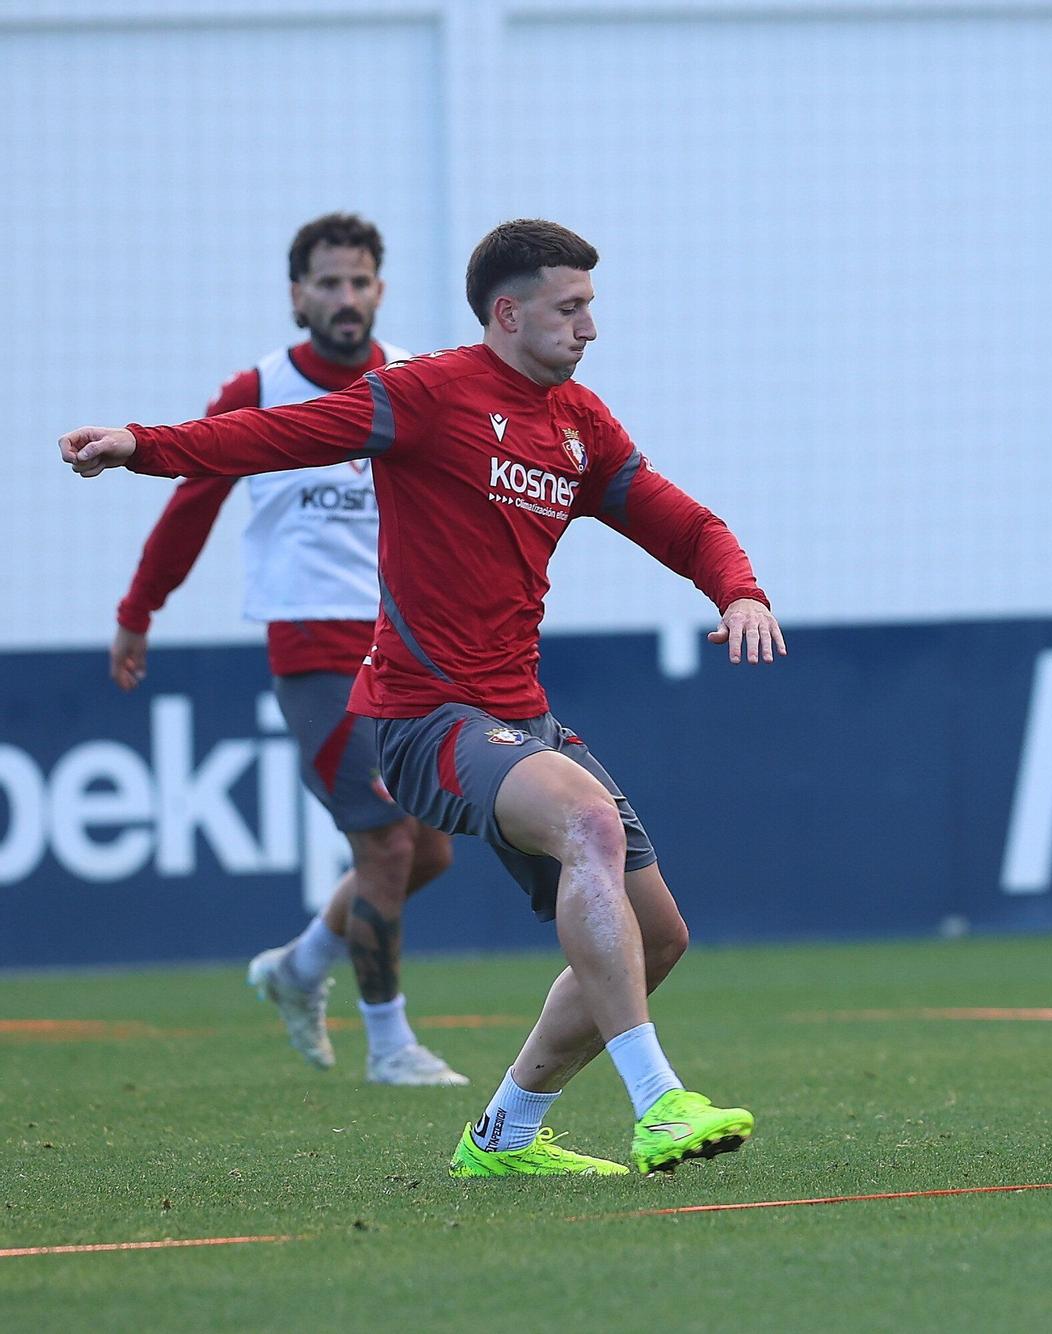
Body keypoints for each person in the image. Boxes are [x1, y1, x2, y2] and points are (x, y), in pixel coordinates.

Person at [63, 219, 784, 1179]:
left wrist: (737, 589)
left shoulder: (581, 423)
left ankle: (504, 1135)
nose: (589, 328)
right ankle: (658, 1105)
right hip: (421, 718)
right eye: (572, 309)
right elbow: (278, 436)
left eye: (591, 308)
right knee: (589, 825)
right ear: (509, 311)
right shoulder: (428, 395)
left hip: (516, 714)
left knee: (658, 939)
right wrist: (140, 445)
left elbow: (682, 523)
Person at [110, 213, 464, 1088]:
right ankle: (389, 1046)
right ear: (298, 292)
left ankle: (300, 968)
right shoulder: (257, 390)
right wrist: (138, 609)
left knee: (430, 851)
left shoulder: (416, 382)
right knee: (383, 843)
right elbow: (190, 505)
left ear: (380, 289)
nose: (346, 298)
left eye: (360, 282)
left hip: (407, 648)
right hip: (314, 650)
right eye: (328, 283)